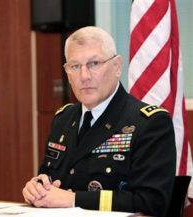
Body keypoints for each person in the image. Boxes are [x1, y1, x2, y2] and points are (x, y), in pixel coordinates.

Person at [22, 26, 176, 216]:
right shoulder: (63, 119)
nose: (84, 76)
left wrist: (73, 200)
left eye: (94, 63)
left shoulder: (149, 123)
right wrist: (37, 188)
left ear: (117, 66)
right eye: (75, 66)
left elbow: (151, 202)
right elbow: (50, 180)